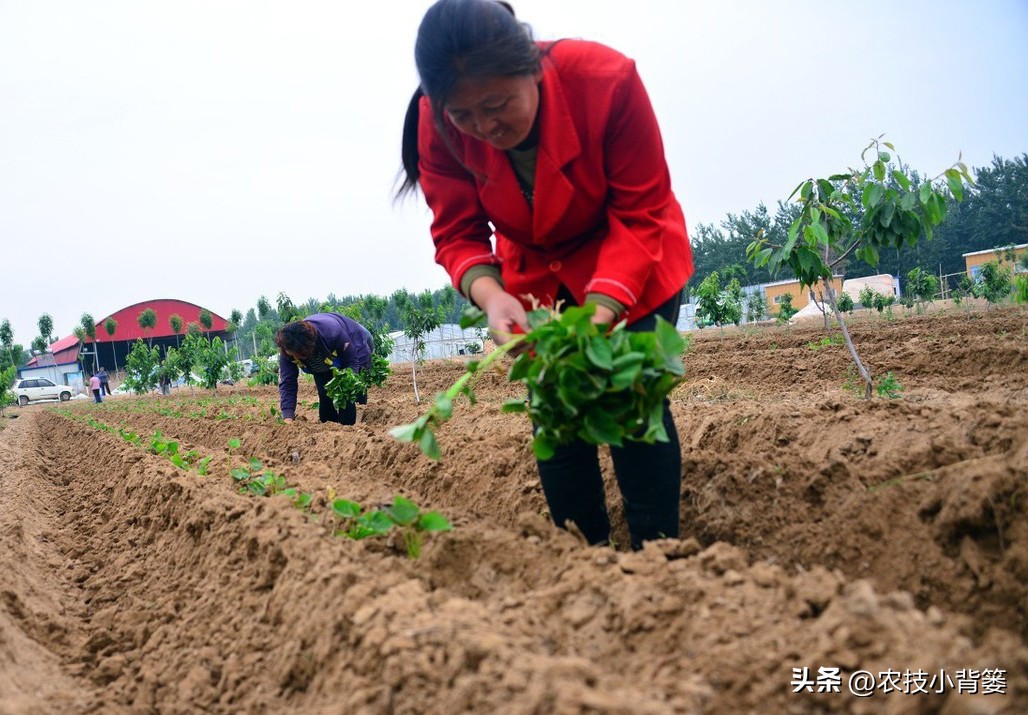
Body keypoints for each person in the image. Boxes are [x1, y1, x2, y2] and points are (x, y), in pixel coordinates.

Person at [398, 0, 694, 550]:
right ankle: (581, 559)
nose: (484, 128)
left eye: (497, 104)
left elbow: (641, 211)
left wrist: (602, 311)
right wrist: (491, 297)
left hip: (633, 257)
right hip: (534, 275)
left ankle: (659, 561)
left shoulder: (606, 80)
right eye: (463, 116)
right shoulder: (435, 123)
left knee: (633, 404)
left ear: (531, 67)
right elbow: (458, 231)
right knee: (557, 416)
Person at [276, 314, 373, 425]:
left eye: (299, 355)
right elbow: (288, 382)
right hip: (325, 358)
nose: (296, 358)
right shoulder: (288, 349)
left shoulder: (333, 333)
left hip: (353, 342)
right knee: (325, 394)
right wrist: (288, 416)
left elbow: (351, 362)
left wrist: (348, 387)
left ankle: (354, 428)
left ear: (308, 348)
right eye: (293, 355)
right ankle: (329, 428)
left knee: (349, 394)